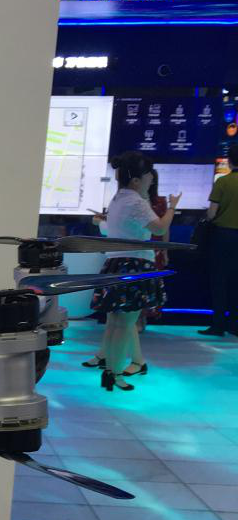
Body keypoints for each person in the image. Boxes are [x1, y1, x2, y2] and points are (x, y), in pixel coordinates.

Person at [86, 151, 179, 391]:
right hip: (135, 265)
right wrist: (172, 207)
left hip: (116, 264)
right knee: (125, 325)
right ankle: (116, 374)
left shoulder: (118, 198)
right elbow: (159, 228)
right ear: (137, 179)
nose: (152, 177)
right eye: (148, 174)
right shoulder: (136, 202)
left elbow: (109, 229)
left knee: (116, 323)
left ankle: (112, 372)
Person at [200, 141, 238, 337]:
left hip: (223, 236)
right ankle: (235, 325)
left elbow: (211, 214)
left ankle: (218, 325)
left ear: (229, 161)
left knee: (220, 281)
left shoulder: (222, 182)